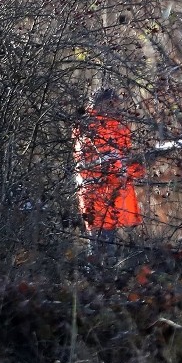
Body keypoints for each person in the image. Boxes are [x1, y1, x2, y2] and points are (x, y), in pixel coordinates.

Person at [71, 88, 144, 256]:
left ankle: (99, 276)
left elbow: (118, 160)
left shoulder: (112, 126)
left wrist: (133, 167)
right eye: (112, 103)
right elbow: (104, 165)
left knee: (106, 247)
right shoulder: (92, 128)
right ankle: (95, 277)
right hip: (98, 197)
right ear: (103, 104)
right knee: (101, 249)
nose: (117, 108)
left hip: (111, 197)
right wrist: (131, 169)